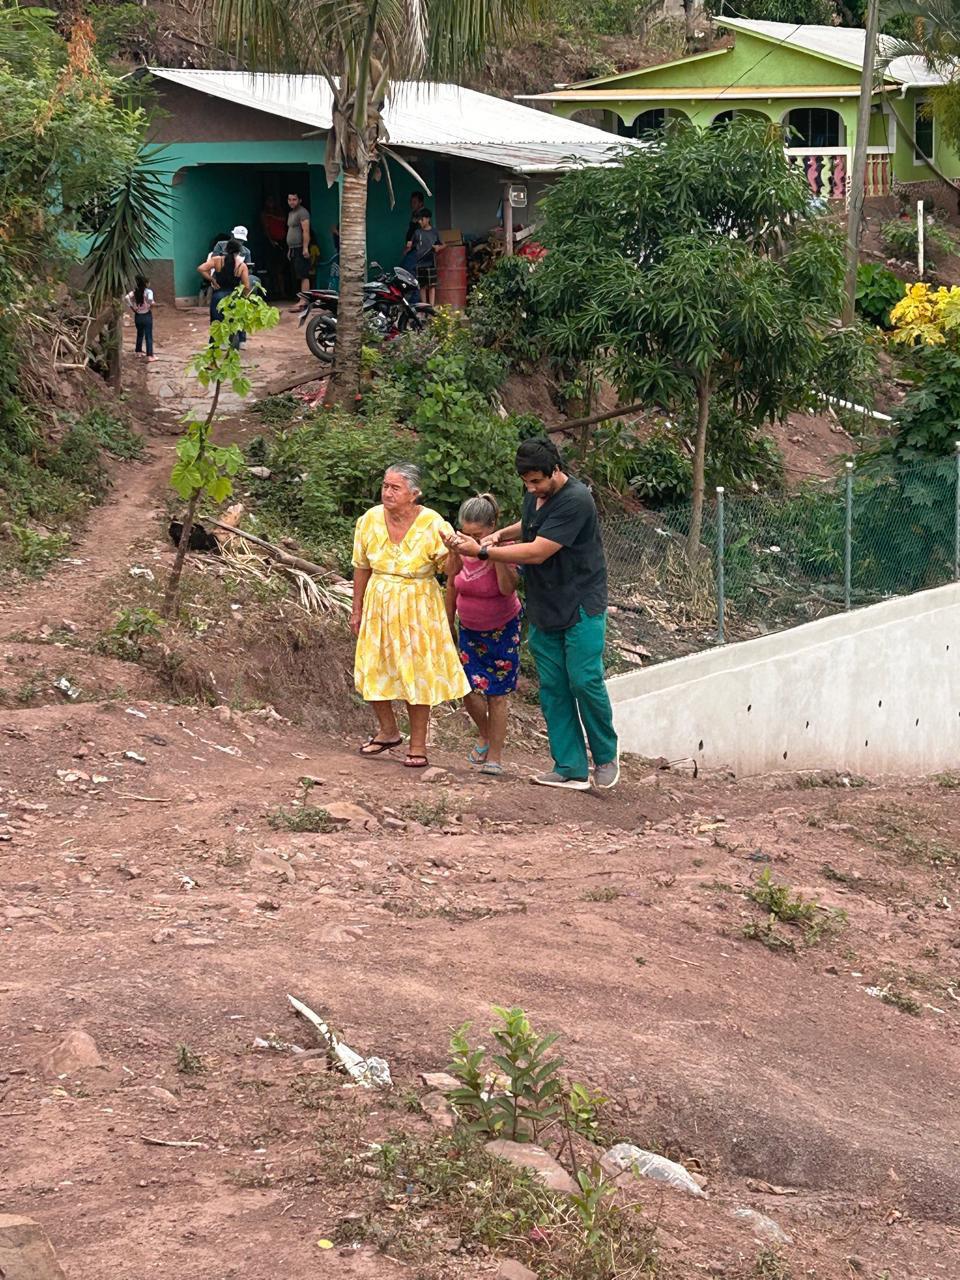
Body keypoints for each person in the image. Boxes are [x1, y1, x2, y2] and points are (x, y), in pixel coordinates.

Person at [444, 438, 619, 791]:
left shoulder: (576, 500)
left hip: (581, 603)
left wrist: (482, 551)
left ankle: (604, 755)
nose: (532, 488)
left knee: (584, 679)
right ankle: (569, 765)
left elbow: (539, 550)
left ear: (556, 469)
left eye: (537, 481)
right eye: (526, 483)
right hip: (544, 604)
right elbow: (530, 526)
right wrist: (496, 535)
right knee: (553, 687)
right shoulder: (535, 496)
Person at [351, 463, 470, 770]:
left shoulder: (432, 523)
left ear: (414, 494)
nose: (387, 493)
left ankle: (418, 745)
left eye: (395, 488)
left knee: (416, 673)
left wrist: (454, 550)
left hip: (418, 603)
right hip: (379, 600)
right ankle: (388, 731)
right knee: (373, 666)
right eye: (385, 486)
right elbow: (361, 565)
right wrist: (357, 608)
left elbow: (451, 571)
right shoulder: (369, 519)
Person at [445, 493, 521, 777]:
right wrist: (448, 620)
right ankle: (486, 735)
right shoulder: (462, 546)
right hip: (469, 628)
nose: (471, 539)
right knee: (465, 687)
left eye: (477, 534)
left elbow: (507, 588)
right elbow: (451, 579)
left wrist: (494, 553)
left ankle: (496, 756)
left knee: (497, 694)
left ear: (492, 528)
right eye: (466, 532)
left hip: (502, 629)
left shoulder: (507, 547)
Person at [197, 238, 250, 347]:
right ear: (239, 251)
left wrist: (212, 280)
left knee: (216, 321)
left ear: (225, 249)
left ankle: (216, 344)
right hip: (234, 296)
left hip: (218, 296)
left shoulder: (217, 260)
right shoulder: (241, 265)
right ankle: (238, 343)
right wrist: (245, 297)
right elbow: (246, 285)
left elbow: (201, 268)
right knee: (234, 320)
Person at [406, 207, 443, 306]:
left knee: (431, 286)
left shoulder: (434, 232)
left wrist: (438, 248)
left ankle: (431, 307)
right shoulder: (417, 232)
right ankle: (424, 306)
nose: (419, 221)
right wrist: (408, 247)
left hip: (431, 262)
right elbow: (411, 246)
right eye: (418, 219)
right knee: (422, 286)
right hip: (420, 263)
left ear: (427, 219)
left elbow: (443, 244)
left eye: (421, 219)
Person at [125, 274, 157, 362]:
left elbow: (127, 297)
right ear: (146, 283)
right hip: (146, 315)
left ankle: (138, 351)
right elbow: (150, 300)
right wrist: (151, 305)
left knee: (140, 334)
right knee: (148, 336)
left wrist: (132, 307)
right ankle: (150, 355)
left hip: (138, 316)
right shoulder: (148, 292)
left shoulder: (135, 292)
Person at [286, 192, 311, 300]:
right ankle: (299, 298)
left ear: (299, 200)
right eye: (290, 199)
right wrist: (289, 249)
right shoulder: (291, 213)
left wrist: (305, 248)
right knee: (296, 274)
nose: (291, 202)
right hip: (293, 248)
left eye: (294, 199)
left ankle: (304, 300)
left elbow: (306, 231)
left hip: (300, 247)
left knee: (303, 275)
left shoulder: (303, 212)